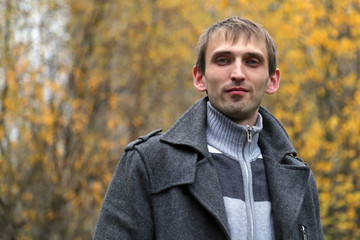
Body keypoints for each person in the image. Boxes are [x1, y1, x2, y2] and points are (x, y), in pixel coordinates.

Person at [94, 17, 324, 240]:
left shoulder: (298, 178)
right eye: (223, 60)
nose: (237, 73)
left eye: (252, 61)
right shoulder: (149, 163)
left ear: (272, 80)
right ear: (199, 77)